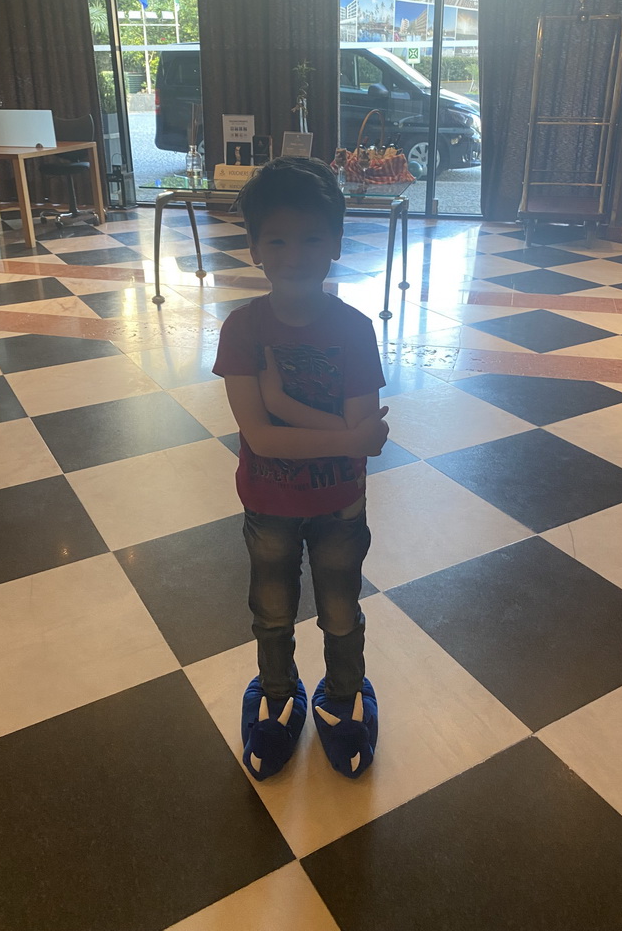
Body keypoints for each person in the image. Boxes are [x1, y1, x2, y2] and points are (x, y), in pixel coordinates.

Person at [212, 156, 389, 781]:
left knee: (342, 613)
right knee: (272, 610)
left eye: (312, 236)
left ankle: (343, 699)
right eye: (278, 238)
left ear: (336, 244)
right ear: (256, 249)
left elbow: (364, 443)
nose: (294, 252)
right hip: (269, 504)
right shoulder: (241, 330)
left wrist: (290, 408)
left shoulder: (354, 329)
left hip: (341, 505)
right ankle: (279, 696)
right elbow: (260, 438)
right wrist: (340, 432)